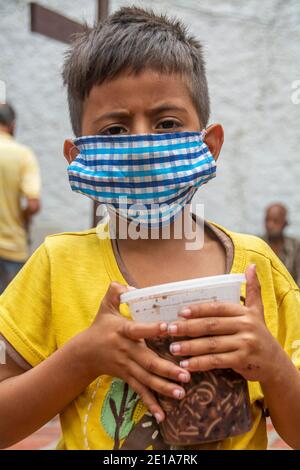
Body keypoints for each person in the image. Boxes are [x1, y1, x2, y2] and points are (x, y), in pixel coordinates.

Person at [0, 7, 300, 451]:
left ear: (209, 145)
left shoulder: (258, 271)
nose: (143, 147)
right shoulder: (55, 265)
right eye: (116, 129)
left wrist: (271, 364)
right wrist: (82, 359)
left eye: (167, 123)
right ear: (78, 157)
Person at [0, 103, 41, 293]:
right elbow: (33, 204)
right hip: (12, 246)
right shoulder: (22, 155)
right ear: (12, 125)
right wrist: (23, 217)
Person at [263, 203, 300, 286]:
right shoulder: (258, 245)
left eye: (275, 221)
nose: (270, 225)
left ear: (285, 223)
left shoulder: (296, 247)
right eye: (267, 220)